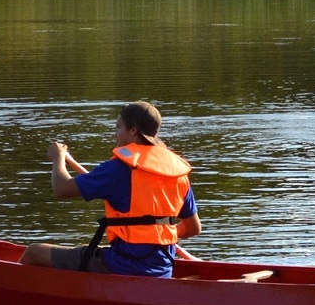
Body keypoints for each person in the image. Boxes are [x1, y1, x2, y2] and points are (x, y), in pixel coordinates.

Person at [19, 101, 201, 277]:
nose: (116, 134)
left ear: (133, 130)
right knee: (86, 250)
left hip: (122, 266)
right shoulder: (177, 173)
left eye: (118, 127)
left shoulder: (119, 168)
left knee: (34, 253)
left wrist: (58, 157)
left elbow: (61, 189)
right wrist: (157, 235)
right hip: (162, 269)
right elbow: (193, 228)